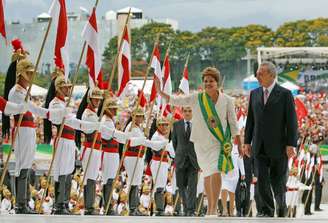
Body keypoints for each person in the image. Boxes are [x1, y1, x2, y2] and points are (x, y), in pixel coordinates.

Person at [156, 67, 242, 216]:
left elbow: (233, 123)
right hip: (200, 143)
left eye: (211, 81)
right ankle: (210, 207)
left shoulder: (227, 100)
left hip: (218, 142)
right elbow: (179, 100)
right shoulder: (197, 97)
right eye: (206, 81)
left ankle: (214, 207)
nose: (208, 83)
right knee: (208, 174)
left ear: (217, 83)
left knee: (216, 171)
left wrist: (239, 143)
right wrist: (161, 93)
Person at [3, 57, 67, 214]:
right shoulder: (16, 91)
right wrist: (55, 112)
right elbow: (33, 109)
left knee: (26, 165)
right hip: (22, 128)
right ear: (21, 74)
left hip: (28, 128)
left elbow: (34, 110)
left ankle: (23, 202)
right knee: (22, 166)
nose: (31, 76)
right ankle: (20, 204)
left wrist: (55, 113)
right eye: (29, 73)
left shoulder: (24, 91)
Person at [244, 61, 298, 217]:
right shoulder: (254, 94)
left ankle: (281, 207)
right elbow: (251, 120)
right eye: (258, 73)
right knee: (261, 179)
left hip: (279, 146)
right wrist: (247, 141)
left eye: (261, 73)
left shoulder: (285, 94)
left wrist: (290, 144)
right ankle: (267, 210)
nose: (258, 75)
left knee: (278, 182)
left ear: (272, 75)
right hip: (259, 146)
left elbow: (291, 122)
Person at [44, 71, 101, 215]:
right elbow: (57, 119)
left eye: (69, 87)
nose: (68, 90)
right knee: (61, 172)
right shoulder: (55, 103)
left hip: (69, 140)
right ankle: (58, 204)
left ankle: (64, 202)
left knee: (68, 172)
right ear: (58, 88)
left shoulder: (64, 103)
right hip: (62, 139)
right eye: (65, 87)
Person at [76, 87, 103, 215]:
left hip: (96, 147)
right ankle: (89, 206)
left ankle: (90, 205)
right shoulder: (88, 113)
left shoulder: (93, 113)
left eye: (99, 99)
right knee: (89, 178)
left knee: (92, 177)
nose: (97, 101)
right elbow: (87, 130)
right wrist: (97, 125)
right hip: (90, 146)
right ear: (90, 99)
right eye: (95, 99)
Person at [172, 106, 199, 216]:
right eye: (185, 111)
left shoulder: (197, 125)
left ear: (192, 112)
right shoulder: (176, 125)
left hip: (194, 160)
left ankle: (190, 210)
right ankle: (186, 206)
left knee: (192, 186)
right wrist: (180, 153)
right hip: (180, 160)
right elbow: (174, 142)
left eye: (190, 111)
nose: (187, 113)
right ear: (182, 112)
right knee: (181, 186)